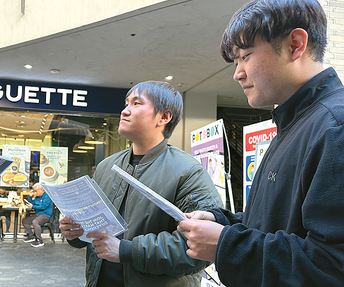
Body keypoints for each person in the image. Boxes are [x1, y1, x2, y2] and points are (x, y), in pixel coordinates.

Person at [177, 1, 344, 286]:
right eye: (235, 60)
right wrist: (223, 223)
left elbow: (331, 264)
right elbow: (276, 221)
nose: (237, 73)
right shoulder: (293, 123)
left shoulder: (334, 127)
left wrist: (226, 245)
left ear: (295, 44)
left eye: (245, 56)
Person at [59, 81, 223, 286]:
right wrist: (74, 232)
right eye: (126, 103)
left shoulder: (189, 172)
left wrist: (126, 250)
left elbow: (199, 248)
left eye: (136, 103)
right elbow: (95, 228)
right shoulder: (106, 166)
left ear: (164, 117)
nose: (125, 111)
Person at [22, 183, 53, 247]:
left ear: (41, 189)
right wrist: (30, 196)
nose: (35, 193)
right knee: (25, 221)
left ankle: (39, 241)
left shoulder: (47, 196)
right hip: (38, 215)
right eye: (34, 191)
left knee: (35, 222)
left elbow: (43, 206)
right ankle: (31, 236)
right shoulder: (37, 197)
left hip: (46, 215)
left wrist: (33, 206)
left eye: (36, 191)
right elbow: (32, 203)